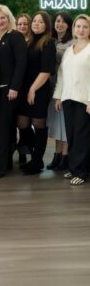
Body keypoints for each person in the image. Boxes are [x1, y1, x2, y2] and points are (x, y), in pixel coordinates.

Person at [0, 5, 27, 178]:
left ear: (9, 18)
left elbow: (21, 63)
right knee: (3, 128)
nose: (0, 21)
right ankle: (5, 162)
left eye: (3, 17)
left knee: (1, 128)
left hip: (8, 90)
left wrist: (14, 87)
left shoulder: (15, 36)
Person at [17, 11, 56, 175]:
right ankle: (36, 158)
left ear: (46, 25)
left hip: (38, 89)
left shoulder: (48, 43)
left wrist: (33, 89)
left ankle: (36, 160)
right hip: (25, 89)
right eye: (34, 21)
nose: (36, 24)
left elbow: (46, 71)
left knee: (38, 124)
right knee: (22, 123)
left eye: (40, 22)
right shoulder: (29, 42)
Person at [53, 15, 90, 185]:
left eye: (85, 27)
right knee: (72, 135)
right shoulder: (69, 50)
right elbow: (61, 74)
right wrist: (58, 96)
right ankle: (74, 168)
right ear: (74, 28)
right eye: (78, 26)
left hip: (84, 100)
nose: (81, 30)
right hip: (68, 97)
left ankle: (81, 172)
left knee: (82, 137)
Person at [46, 11, 73, 172]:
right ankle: (56, 154)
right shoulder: (52, 41)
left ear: (69, 25)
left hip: (65, 86)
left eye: (63, 22)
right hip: (52, 87)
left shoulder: (72, 43)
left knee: (64, 123)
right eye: (57, 21)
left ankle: (65, 156)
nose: (59, 24)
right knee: (56, 124)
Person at [15, 13, 34, 162]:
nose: (22, 26)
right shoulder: (13, 40)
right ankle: (22, 150)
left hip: (29, 86)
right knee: (18, 121)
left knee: (25, 123)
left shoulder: (33, 43)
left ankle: (29, 148)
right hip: (16, 86)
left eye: (25, 24)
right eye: (19, 24)